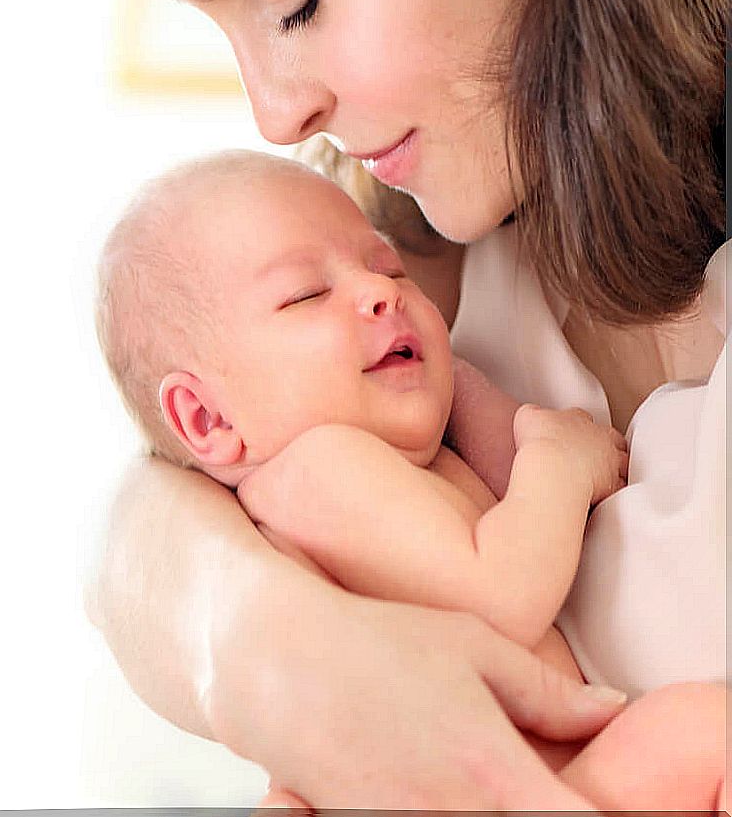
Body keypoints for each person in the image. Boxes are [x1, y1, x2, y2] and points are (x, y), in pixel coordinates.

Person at [80, 0, 728, 808]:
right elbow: (151, 515)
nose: (277, 113)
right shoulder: (429, 261)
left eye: (295, 2)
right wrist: (273, 657)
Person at [94, 149, 726, 811]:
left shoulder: (397, 444)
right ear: (208, 416)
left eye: (386, 265)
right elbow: (505, 593)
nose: (383, 292)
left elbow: (516, 476)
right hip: (490, 790)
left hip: (549, 780)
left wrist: (480, 405)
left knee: (703, 734)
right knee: (706, 734)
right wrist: (557, 461)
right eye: (306, 293)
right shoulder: (319, 468)